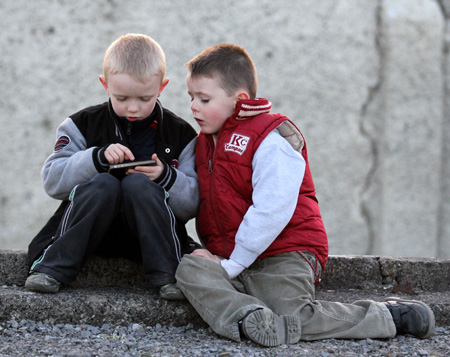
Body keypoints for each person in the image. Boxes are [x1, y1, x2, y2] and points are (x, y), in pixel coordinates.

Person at [175, 43, 435, 346]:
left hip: (282, 253)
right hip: (232, 257)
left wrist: (233, 264)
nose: (193, 106)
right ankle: (250, 319)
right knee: (190, 267)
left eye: (204, 99)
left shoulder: (271, 139)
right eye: (191, 97)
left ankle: (387, 317)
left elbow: (273, 209)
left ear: (240, 100)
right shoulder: (203, 143)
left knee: (294, 314)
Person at [25, 33, 199, 300]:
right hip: (88, 233)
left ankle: (168, 276)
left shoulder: (181, 135)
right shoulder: (81, 124)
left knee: (138, 184)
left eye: (144, 98)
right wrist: (95, 159)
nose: (133, 108)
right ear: (104, 85)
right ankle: (52, 268)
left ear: (161, 88)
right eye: (121, 97)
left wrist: (166, 177)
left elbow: (193, 205)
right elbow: (52, 181)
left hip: (150, 240)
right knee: (104, 183)